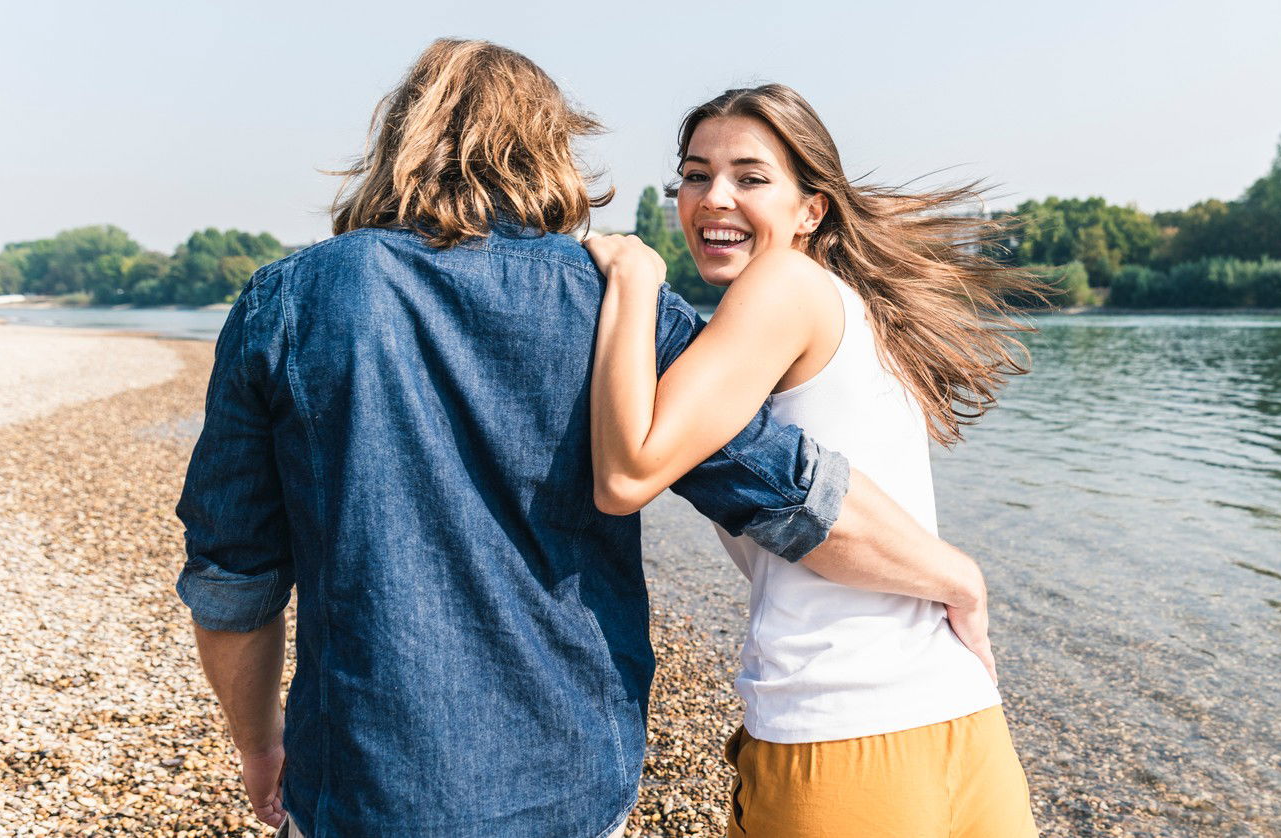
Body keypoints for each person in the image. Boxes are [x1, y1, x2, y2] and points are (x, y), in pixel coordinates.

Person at [175, 41, 996, 838]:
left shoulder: (288, 302)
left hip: (365, 779)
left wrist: (260, 744)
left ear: (400, 141)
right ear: (548, 149)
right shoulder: (608, 299)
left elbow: (233, 575)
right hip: (570, 776)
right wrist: (953, 576)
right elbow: (785, 489)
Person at [583, 84, 1042, 838]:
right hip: (961, 721)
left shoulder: (785, 284)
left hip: (841, 734)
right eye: (695, 175)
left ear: (810, 210)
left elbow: (626, 475)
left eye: (750, 177)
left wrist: (634, 281)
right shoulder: (849, 307)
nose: (712, 198)